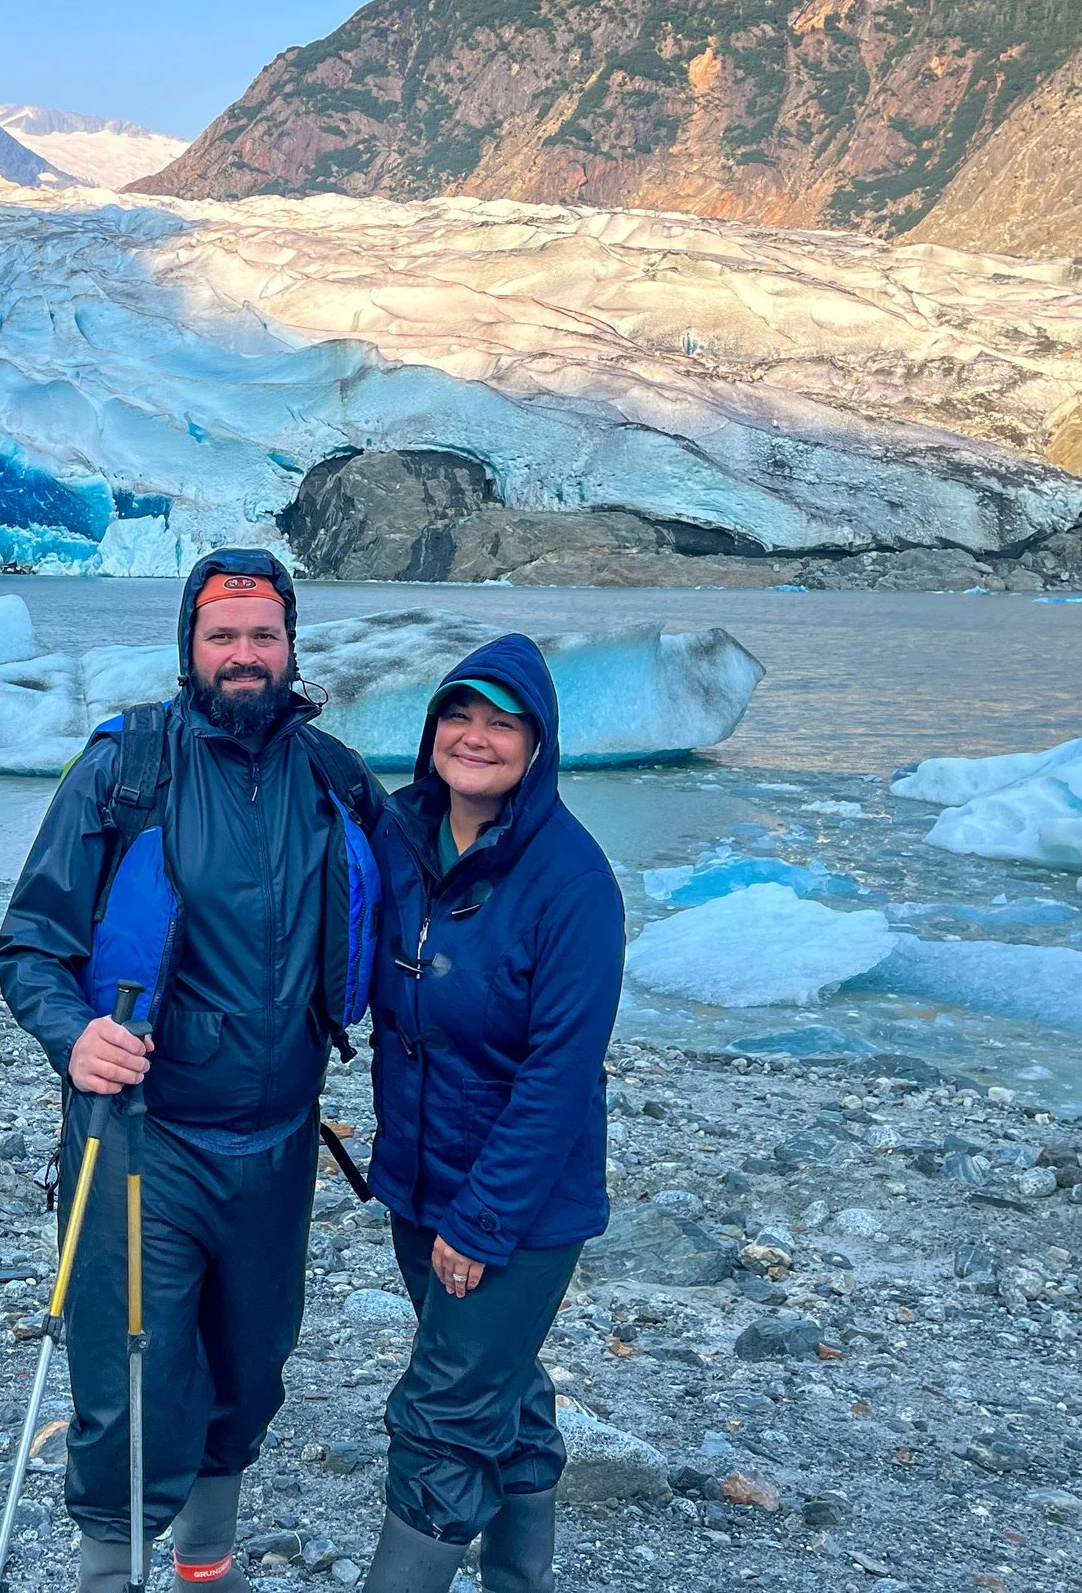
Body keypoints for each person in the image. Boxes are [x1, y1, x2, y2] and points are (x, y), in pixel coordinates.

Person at [0, 548, 384, 1593]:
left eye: (263, 635)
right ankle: (108, 1575)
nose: (245, 655)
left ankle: (205, 1568)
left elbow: (416, 918)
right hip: (141, 1139)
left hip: (279, 1140)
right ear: (190, 649)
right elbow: (31, 942)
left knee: (248, 1375)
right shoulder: (128, 769)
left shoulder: (334, 779)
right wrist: (71, 1033)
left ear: (290, 645)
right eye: (224, 637)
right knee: (133, 1385)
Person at [358, 635, 624, 1593]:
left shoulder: (571, 880)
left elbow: (560, 1076)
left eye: (502, 722)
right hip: (417, 1183)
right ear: (431, 729)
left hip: (513, 1210)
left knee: (441, 1413)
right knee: (500, 1383)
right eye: (458, 715)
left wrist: (481, 1219)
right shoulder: (397, 834)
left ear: (538, 743)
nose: (476, 737)